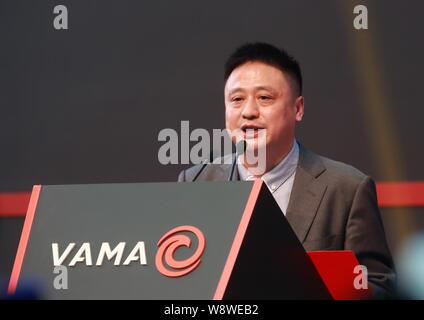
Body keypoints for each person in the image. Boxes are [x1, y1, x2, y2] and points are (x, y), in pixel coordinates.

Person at [178, 42, 396, 298]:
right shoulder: (196, 182)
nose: (248, 112)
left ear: (298, 108)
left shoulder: (347, 188)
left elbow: (381, 286)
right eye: (237, 100)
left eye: (264, 98)